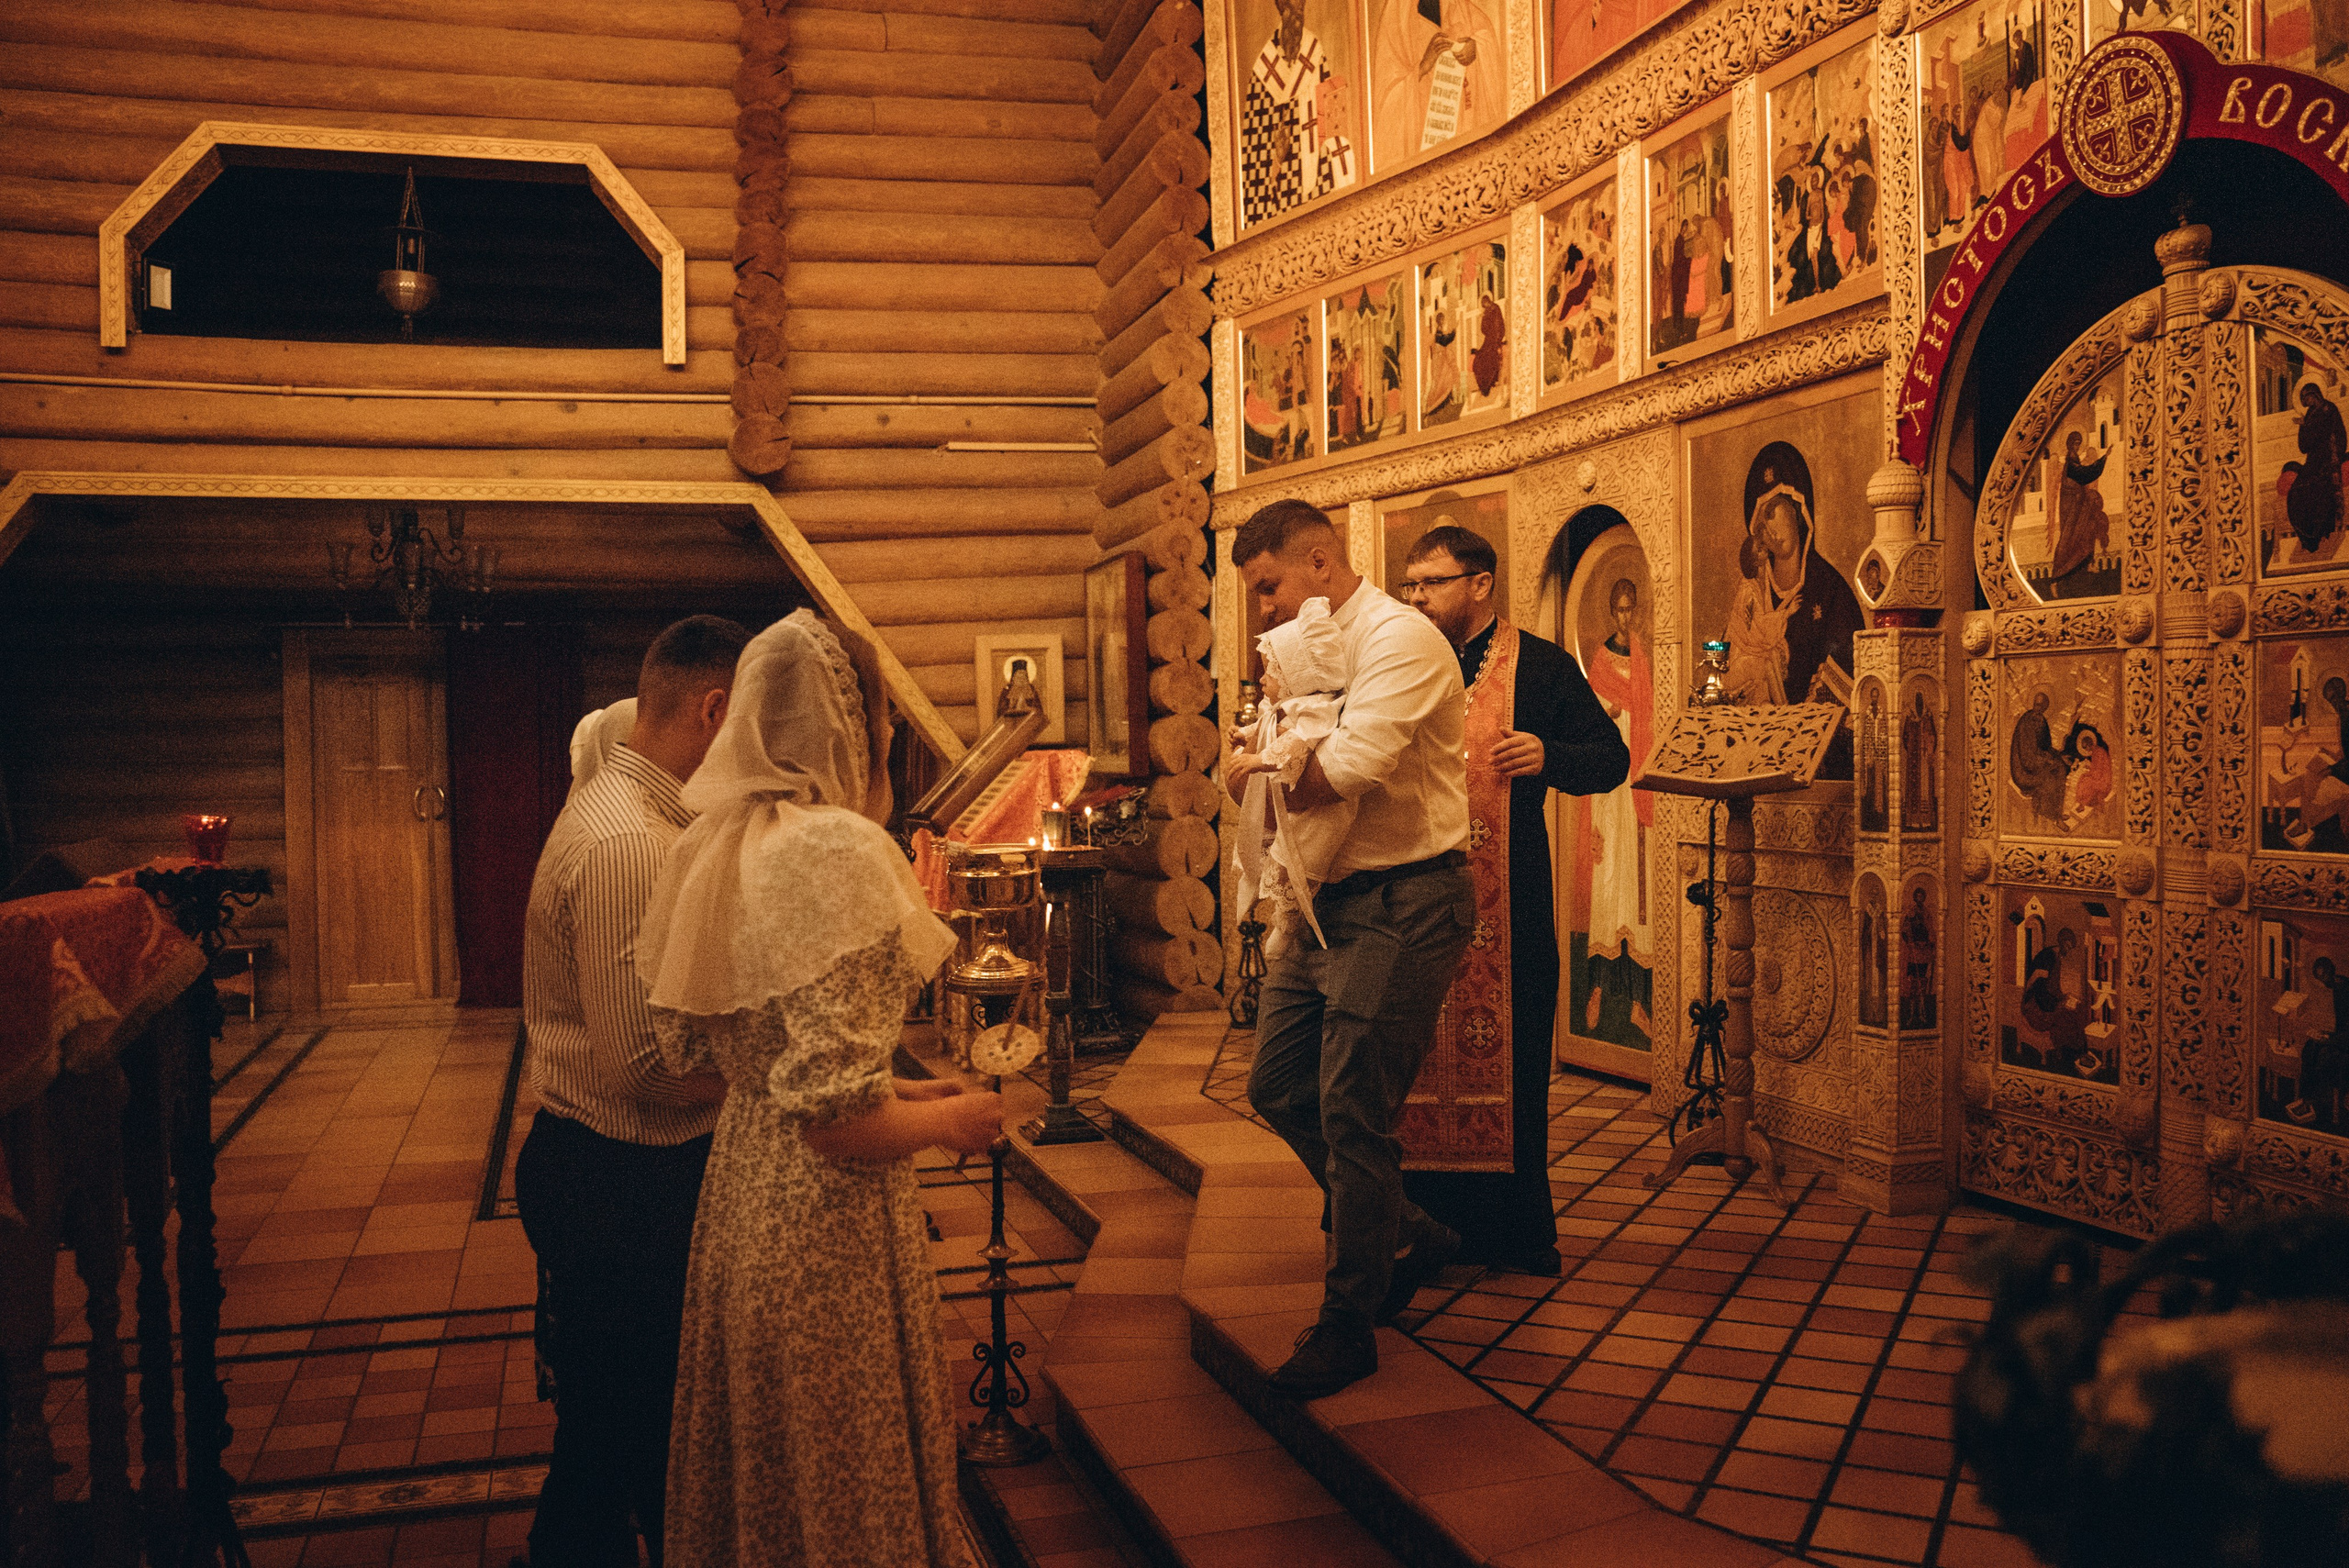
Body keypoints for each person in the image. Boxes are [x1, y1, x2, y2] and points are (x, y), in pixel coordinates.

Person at [638, 612, 1003, 1567]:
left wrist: (912, 1101)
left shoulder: (713, 838)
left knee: (770, 1475)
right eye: (881, 725)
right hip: (821, 1224)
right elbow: (838, 1125)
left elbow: (719, 1061)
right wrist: (952, 1119)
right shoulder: (835, 850)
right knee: (843, 1472)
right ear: (847, 725)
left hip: (738, 1194)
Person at [513, 615, 750, 1568]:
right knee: (634, 1434)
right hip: (619, 1179)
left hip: (611, 1171)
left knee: (609, 1435)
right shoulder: (627, 842)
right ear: (715, 708)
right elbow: (643, 1068)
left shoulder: (640, 810)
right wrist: (770, 1082)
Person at [1227, 499, 1475, 1398]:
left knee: (1349, 1105)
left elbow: (1343, 770)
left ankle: (1348, 1323)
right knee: (1277, 1084)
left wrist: (1261, 764)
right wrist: (1269, 755)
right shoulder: (1304, 655)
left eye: (1268, 588)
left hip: (1404, 899)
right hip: (1327, 896)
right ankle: (1403, 1225)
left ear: (1322, 564)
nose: (1261, 610)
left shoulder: (1398, 641)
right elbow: (1279, 757)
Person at [1395, 525, 1629, 1273]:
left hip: (1510, 905)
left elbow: (1612, 759)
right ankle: (1420, 1226)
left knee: (1516, 1063)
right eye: (1410, 585)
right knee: (1412, 1063)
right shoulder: (1398, 663)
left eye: (1431, 583)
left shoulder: (1542, 666)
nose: (1416, 597)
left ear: (1480, 584)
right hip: (1410, 906)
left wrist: (1547, 755)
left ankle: (1515, 1231)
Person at [1230, 595, 1355, 958]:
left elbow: (1300, 742)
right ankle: (1262, 896)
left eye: (1271, 671)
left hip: (1320, 811)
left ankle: (1287, 922)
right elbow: (1266, 722)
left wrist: (1260, 760)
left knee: (1296, 857)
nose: (1262, 679)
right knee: (1270, 848)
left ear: (1295, 677)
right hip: (1291, 799)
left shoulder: (1315, 709)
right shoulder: (1281, 706)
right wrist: (1245, 734)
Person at [1241, 0, 1358, 226]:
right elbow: (1253, 144)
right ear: (1282, 10)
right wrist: (1275, 156)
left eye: (1301, 8)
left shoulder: (1313, 49)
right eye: (1293, 10)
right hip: (1280, 176)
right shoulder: (1263, 68)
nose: (1299, 14)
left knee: (1341, 150)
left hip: (1314, 158)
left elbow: (1329, 103)